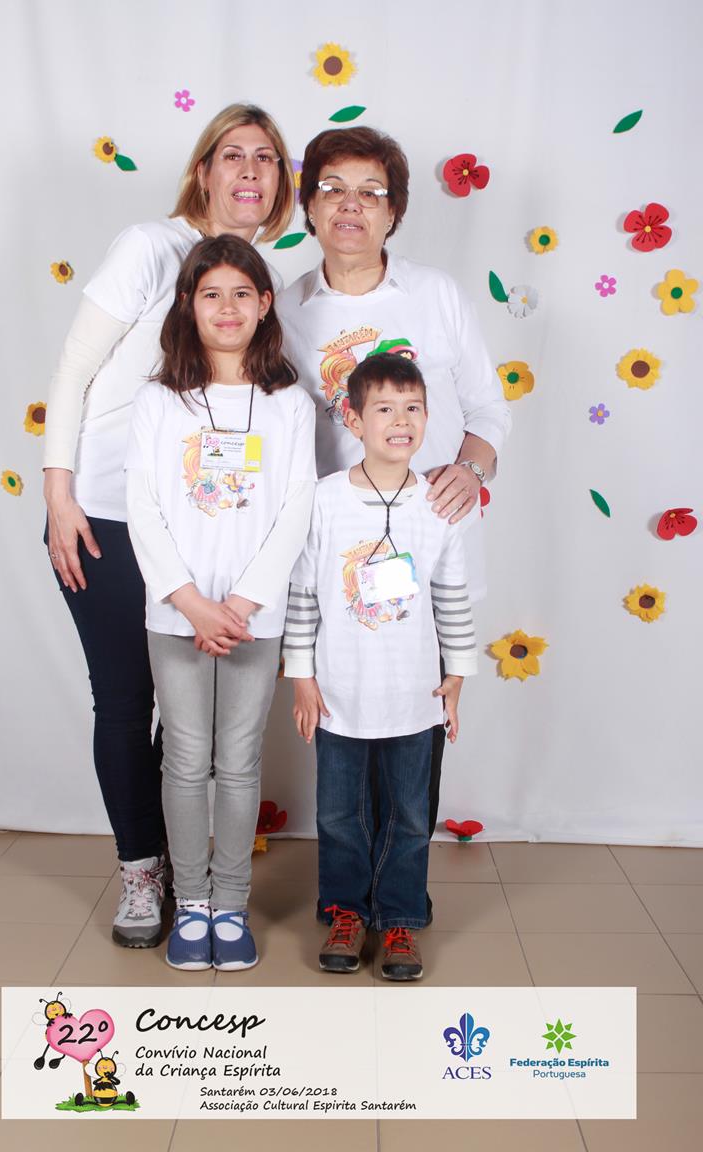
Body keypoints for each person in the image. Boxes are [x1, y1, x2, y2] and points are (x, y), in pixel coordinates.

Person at [42, 104, 295, 949]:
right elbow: (73, 370)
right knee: (127, 702)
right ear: (203, 170)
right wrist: (60, 495)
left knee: (192, 724)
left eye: (267, 158)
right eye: (233, 155)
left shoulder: (262, 279)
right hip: (109, 518)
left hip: (208, 528)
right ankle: (142, 874)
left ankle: (193, 875)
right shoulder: (150, 247)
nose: (250, 171)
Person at [277, 125, 510, 875]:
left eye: (370, 193)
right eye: (332, 189)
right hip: (330, 558)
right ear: (309, 206)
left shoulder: (434, 294)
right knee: (343, 734)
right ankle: (349, 895)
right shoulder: (286, 309)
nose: (351, 206)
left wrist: (471, 470)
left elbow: (488, 408)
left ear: (394, 211)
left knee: (414, 735)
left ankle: (401, 896)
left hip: (427, 548)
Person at [125, 235, 316, 971]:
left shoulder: (288, 403)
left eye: (242, 293)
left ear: (265, 304)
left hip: (252, 618)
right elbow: (142, 505)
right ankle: (193, 904)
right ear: (188, 304)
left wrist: (240, 602)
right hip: (176, 613)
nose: (227, 308)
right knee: (184, 760)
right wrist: (190, 602)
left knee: (237, 762)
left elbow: (296, 505)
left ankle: (230, 906)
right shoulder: (158, 400)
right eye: (211, 294)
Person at [283, 354, 477, 980]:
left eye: (413, 408)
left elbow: (451, 595)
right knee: (339, 814)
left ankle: (399, 918)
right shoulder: (325, 500)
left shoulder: (438, 506)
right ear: (354, 419)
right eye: (385, 408)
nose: (400, 421)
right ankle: (346, 911)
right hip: (339, 694)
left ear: (428, 418)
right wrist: (302, 676)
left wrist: (456, 676)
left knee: (409, 816)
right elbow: (303, 594)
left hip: (414, 696)